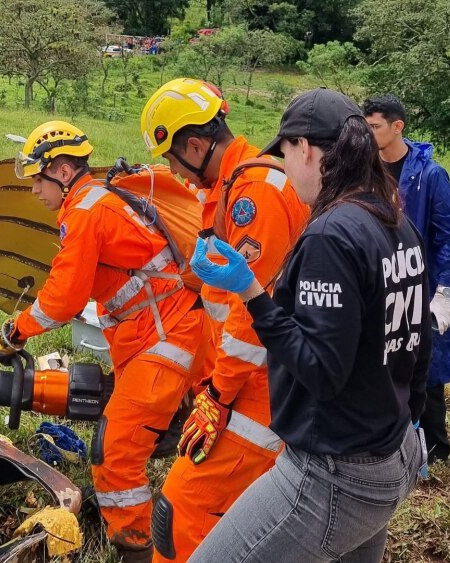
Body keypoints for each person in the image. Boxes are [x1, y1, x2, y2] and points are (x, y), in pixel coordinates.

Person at [188, 88, 430, 562]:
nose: (283, 168)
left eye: (284, 154)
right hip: (394, 451)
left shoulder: (330, 234)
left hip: (336, 474)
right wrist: (404, 416)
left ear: (305, 148)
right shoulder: (393, 218)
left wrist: (253, 294)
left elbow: (320, 370)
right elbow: (420, 340)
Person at [0, 120, 210, 562]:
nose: (35, 190)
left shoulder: (87, 211)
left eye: (38, 177)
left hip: (166, 337)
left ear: (64, 171)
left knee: (113, 453)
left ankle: (138, 549)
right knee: (159, 437)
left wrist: (13, 334)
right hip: (155, 333)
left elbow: (62, 299)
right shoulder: (94, 202)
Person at [138, 78, 308, 561]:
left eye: (173, 160)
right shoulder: (232, 188)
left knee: (182, 510)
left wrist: (218, 395)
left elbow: (251, 316)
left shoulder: (257, 195)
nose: (178, 174)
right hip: (241, 386)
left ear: (196, 144)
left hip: (258, 393)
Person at [364, 94, 450, 464]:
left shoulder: (429, 175)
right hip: (384, 279)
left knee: (429, 363)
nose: (369, 133)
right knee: (387, 357)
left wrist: (442, 291)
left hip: (425, 283)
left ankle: (435, 448)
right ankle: (394, 443)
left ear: (397, 127)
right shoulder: (367, 169)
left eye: (374, 126)